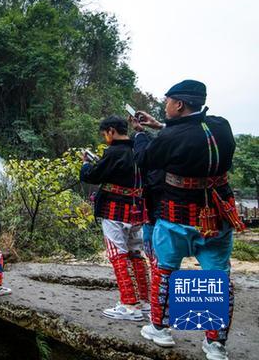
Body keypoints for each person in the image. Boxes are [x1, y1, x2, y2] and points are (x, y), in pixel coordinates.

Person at [131, 80, 244, 360]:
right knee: (215, 276)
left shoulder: (171, 138)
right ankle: (215, 345)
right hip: (217, 216)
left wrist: (141, 135)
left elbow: (146, 159)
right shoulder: (221, 125)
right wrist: (161, 125)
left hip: (177, 216)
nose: (165, 105)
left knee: (166, 270)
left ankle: (161, 329)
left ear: (179, 104)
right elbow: (192, 131)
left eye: (168, 101)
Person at [80, 116, 149, 321]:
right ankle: (144, 302)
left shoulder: (114, 152)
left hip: (114, 211)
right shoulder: (140, 149)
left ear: (111, 131)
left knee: (117, 254)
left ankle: (129, 304)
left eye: (105, 134)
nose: (105, 138)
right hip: (137, 210)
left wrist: (85, 164)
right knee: (135, 253)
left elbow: (92, 176)